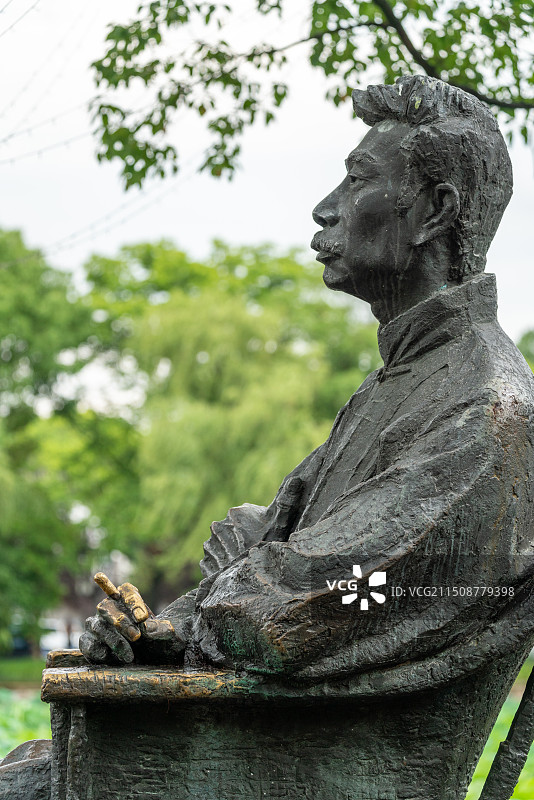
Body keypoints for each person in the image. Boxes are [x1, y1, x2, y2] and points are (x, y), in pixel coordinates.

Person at [79, 75, 534, 683]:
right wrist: (157, 629)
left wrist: (228, 587)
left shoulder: (484, 403)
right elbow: (271, 539)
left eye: (358, 180)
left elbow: (334, 593)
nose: (325, 208)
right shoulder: (401, 381)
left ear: (435, 211)